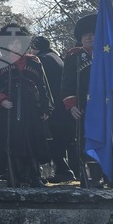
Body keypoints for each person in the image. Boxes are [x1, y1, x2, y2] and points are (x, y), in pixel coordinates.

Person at [0, 23, 52, 187]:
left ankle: (34, 175)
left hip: (31, 108)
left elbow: (43, 86)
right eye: (12, 43)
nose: (16, 45)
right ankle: (15, 174)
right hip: (9, 110)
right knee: (13, 142)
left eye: (19, 42)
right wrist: (1, 99)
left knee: (33, 140)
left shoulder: (35, 62)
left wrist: (45, 108)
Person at [30, 35, 75, 183]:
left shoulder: (43, 60)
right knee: (64, 140)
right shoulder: (55, 57)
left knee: (52, 140)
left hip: (54, 107)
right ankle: (70, 170)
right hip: (63, 107)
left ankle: (63, 170)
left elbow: (43, 86)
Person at [61, 14, 96, 184]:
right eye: (85, 34)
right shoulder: (74, 56)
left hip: (107, 106)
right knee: (85, 140)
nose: (89, 37)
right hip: (84, 106)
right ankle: (89, 176)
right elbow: (66, 82)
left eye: (92, 33)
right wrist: (71, 104)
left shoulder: (108, 55)